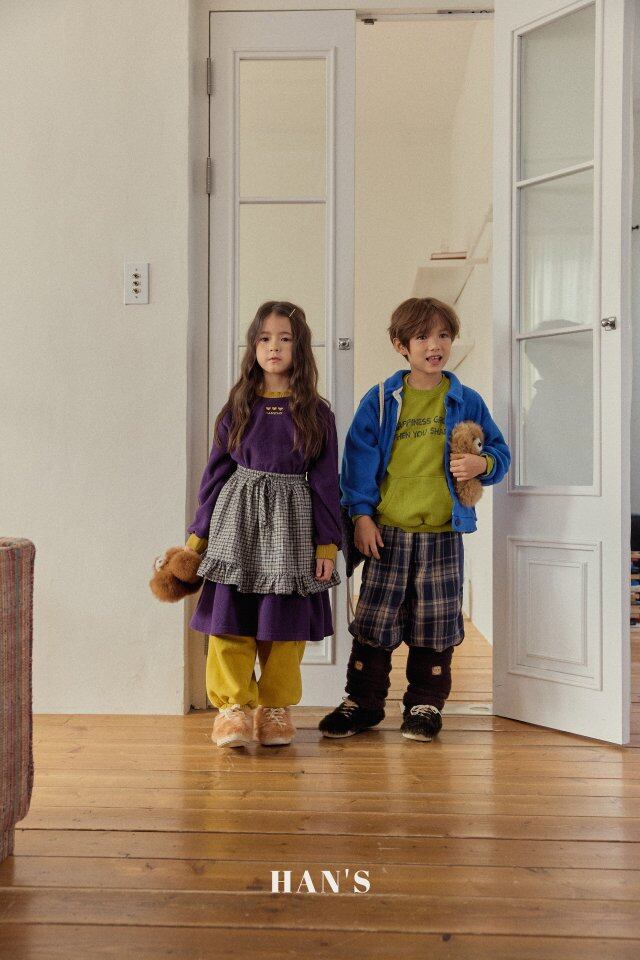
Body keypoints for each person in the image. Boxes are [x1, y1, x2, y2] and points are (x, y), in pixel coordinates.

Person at [319, 297, 510, 742]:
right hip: (386, 533)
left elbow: (499, 453)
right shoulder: (381, 401)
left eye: (443, 335)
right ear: (400, 345)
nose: (434, 345)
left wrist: (482, 465)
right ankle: (363, 703)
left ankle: (424, 705)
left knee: (436, 623)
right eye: (422, 336)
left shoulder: (467, 401)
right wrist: (361, 517)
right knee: (374, 622)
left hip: (443, 534)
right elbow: (357, 464)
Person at [185, 301, 341, 748]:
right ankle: (231, 708)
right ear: (253, 346)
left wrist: (326, 544)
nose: (274, 347)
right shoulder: (236, 409)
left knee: (284, 622)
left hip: (293, 528)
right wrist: (198, 538)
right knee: (229, 618)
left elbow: (326, 483)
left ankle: (275, 709)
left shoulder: (318, 414)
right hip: (237, 524)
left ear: (300, 348)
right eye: (265, 338)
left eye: (285, 339)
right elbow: (214, 477)